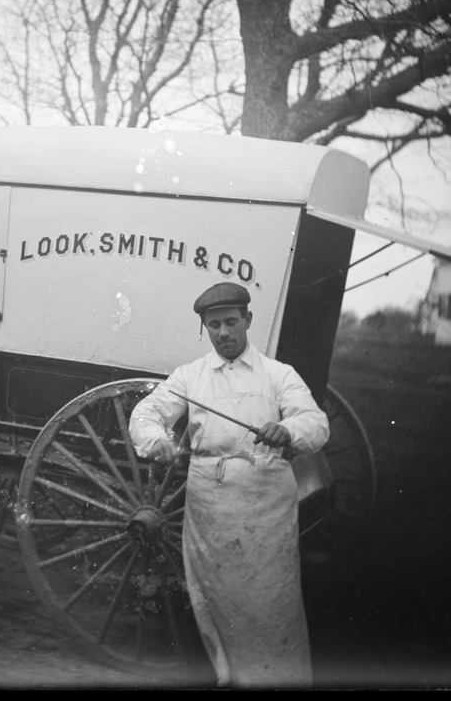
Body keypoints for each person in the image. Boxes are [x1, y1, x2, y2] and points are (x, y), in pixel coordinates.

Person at [129, 281, 329, 688]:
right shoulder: (191, 377)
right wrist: (160, 443)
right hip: (212, 506)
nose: (224, 332)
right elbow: (145, 413)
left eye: (231, 322)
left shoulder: (279, 375)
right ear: (204, 328)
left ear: (248, 320)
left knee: (272, 600)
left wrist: (287, 431)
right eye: (214, 324)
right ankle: (228, 676)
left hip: (267, 507)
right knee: (218, 598)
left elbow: (316, 423)